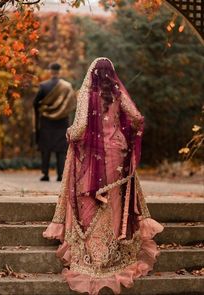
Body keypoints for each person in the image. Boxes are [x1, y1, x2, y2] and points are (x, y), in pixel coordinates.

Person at [43, 57, 164, 295]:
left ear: (92, 74)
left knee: (92, 202)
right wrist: (128, 135)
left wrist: (69, 134)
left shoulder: (87, 95)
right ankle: (115, 252)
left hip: (94, 157)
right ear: (112, 75)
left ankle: (95, 255)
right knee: (115, 202)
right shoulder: (118, 93)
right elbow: (138, 118)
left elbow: (78, 129)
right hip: (117, 155)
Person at [33, 62, 76, 181]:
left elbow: (35, 103)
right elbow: (72, 104)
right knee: (61, 150)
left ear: (50, 71)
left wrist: (42, 110)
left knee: (45, 149)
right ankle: (60, 175)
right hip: (62, 123)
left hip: (46, 123)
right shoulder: (67, 87)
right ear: (59, 71)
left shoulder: (43, 86)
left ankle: (45, 174)